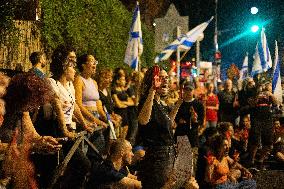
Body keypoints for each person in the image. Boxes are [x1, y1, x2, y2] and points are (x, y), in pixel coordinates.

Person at [48, 45, 92, 189]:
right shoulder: (51, 83)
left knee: (80, 165)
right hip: (55, 129)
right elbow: (57, 107)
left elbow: (75, 107)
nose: (74, 65)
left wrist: (84, 124)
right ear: (63, 63)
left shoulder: (69, 85)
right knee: (58, 169)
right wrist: (64, 131)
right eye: (71, 60)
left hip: (67, 129)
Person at [137, 66, 182, 189]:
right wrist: (152, 90)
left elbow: (168, 123)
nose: (166, 80)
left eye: (167, 78)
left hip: (167, 154)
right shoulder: (147, 101)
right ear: (153, 80)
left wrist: (179, 103)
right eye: (161, 78)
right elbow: (143, 120)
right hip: (158, 157)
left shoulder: (161, 103)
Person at [74, 54, 109, 156]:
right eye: (92, 61)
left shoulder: (94, 82)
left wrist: (107, 119)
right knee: (85, 148)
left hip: (95, 116)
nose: (95, 64)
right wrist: (95, 120)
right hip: (86, 116)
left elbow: (98, 104)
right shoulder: (79, 80)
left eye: (95, 62)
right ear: (84, 65)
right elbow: (78, 104)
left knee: (99, 147)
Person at [247, 81, 278, 169]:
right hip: (256, 120)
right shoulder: (252, 94)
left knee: (268, 142)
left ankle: (261, 160)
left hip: (267, 120)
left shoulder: (269, 95)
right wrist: (257, 96)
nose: (263, 89)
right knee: (255, 141)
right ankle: (251, 160)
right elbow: (251, 104)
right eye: (260, 87)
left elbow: (276, 103)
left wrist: (271, 95)